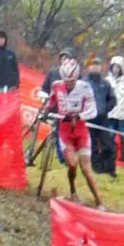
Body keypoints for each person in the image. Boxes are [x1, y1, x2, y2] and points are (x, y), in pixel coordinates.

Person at [45, 58, 105, 209]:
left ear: (76, 77)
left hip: (81, 132)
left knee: (86, 168)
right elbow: (51, 101)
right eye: (66, 80)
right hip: (65, 133)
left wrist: (79, 116)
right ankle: (73, 191)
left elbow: (93, 110)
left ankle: (100, 201)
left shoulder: (85, 87)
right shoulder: (57, 85)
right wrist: (46, 111)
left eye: (72, 80)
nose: (69, 83)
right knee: (72, 164)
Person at [85, 57, 117, 176]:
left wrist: (104, 109)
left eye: (97, 64)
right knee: (91, 145)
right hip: (88, 118)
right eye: (92, 64)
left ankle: (109, 169)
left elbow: (113, 100)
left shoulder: (105, 83)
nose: (95, 66)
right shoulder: (83, 82)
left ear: (101, 67)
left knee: (108, 144)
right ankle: (96, 169)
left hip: (102, 119)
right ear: (88, 67)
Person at [107, 56, 124, 163]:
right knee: (110, 135)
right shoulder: (108, 80)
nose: (115, 69)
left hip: (123, 114)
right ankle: (111, 157)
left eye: (117, 67)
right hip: (111, 114)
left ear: (121, 67)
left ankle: (123, 158)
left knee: (123, 136)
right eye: (114, 66)